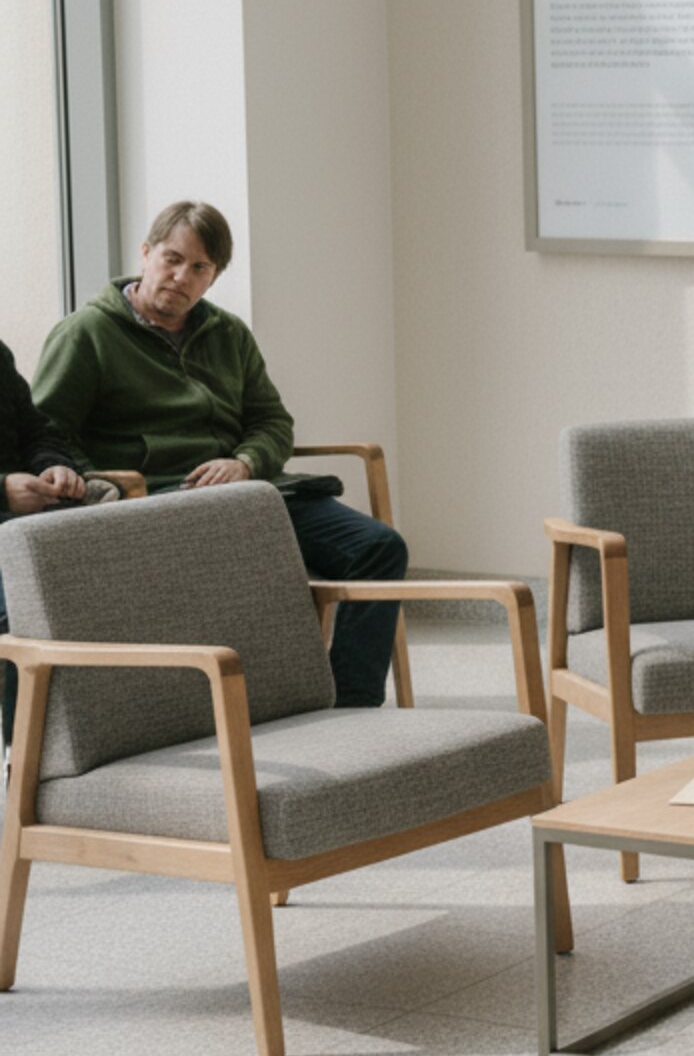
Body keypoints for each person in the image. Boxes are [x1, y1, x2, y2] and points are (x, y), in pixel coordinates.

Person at [32, 200, 410, 709]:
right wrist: (108, 483)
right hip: (161, 500)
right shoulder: (87, 334)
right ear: (145, 254)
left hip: (254, 491)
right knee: (248, 573)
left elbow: (272, 421)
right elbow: (46, 436)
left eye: (199, 268)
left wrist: (246, 461)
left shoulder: (228, 334)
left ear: (213, 277)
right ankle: (250, 705)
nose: (180, 276)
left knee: (379, 547)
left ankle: (351, 706)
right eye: (171, 258)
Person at [0, 338, 96, 747]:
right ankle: (26, 767)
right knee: (27, 603)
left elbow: (39, 432)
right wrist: (2, 489)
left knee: (111, 580)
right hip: (11, 527)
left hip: (24, 524)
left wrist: (54, 466)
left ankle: (99, 753)